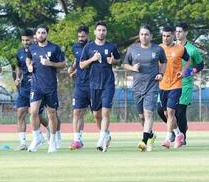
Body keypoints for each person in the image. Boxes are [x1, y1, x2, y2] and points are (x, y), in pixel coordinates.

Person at [123, 25, 167, 152]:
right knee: (142, 117)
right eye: (142, 34)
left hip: (152, 86)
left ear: (151, 36)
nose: (144, 36)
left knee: (148, 113)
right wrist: (132, 68)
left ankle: (143, 141)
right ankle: (150, 135)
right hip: (137, 87)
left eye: (146, 34)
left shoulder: (157, 49)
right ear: (139, 35)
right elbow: (125, 64)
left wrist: (161, 73)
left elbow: (164, 62)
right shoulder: (132, 49)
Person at [80, 21, 120, 152]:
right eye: (99, 30)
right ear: (95, 32)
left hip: (108, 84)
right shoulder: (88, 47)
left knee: (105, 112)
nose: (101, 32)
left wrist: (113, 61)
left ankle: (101, 139)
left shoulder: (111, 46)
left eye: (103, 30)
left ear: (106, 32)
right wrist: (92, 59)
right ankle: (106, 134)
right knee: (96, 115)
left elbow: (118, 60)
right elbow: (81, 65)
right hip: (93, 84)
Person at [26, 24, 66, 153]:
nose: (40, 35)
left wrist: (51, 64)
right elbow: (28, 59)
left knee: (52, 114)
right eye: (38, 33)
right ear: (35, 35)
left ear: (46, 34)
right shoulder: (32, 48)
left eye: (43, 33)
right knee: (33, 112)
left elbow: (63, 64)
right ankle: (37, 137)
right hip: (36, 86)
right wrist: (29, 66)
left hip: (50, 86)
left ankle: (53, 141)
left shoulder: (54, 48)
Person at [159, 26, 191, 149]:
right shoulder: (158, 49)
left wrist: (183, 71)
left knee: (171, 112)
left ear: (173, 36)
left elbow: (188, 60)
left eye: (168, 36)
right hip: (162, 84)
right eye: (163, 36)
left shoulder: (180, 49)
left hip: (176, 84)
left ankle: (168, 139)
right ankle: (178, 134)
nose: (165, 38)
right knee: (166, 113)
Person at [68, 26, 90, 150]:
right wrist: (72, 69)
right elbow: (77, 61)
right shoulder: (75, 47)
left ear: (88, 36)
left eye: (83, 37)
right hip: (80, 85)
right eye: (79, 37)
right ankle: (77, 139)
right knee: (77, 111)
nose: (81, 39)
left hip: (93, 85)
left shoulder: (93, 46)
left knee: (98, 114)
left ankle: (105, 135)